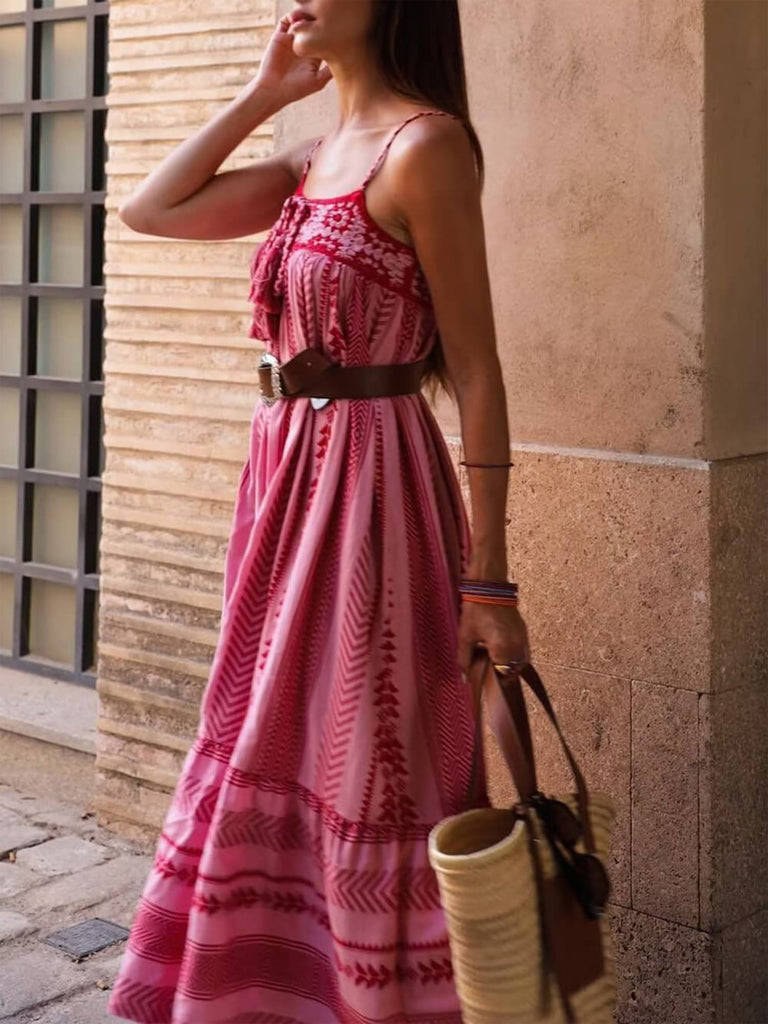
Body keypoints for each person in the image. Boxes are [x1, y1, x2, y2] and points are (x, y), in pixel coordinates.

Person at [107, 1, 530, 1021]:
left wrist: (489, 575)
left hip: (373, 495)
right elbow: (150, 210)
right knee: (271, 732)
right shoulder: (311, 155)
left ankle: (377, 999)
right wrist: (264, 93)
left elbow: (476, 370)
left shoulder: (424, 148)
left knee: (368, 754)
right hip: (283, 490)